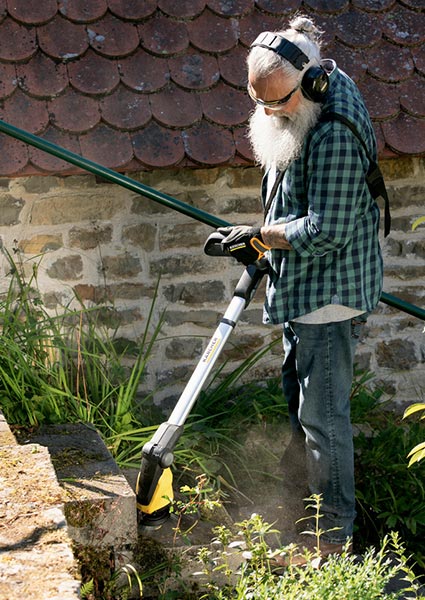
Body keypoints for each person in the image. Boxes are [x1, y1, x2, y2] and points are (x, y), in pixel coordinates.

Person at [216, 15, 383, 565]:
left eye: (278, 103)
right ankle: (309, 513)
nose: (269, 114)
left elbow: (328, 229)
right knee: (303, 406)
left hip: (328, 293)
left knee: (324, 418)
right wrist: (266, 238)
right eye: (259, 104)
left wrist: (264, 235)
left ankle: (335, 541)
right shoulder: (304, 99)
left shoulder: (332, 128)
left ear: (311, 82)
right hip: (302, 284)